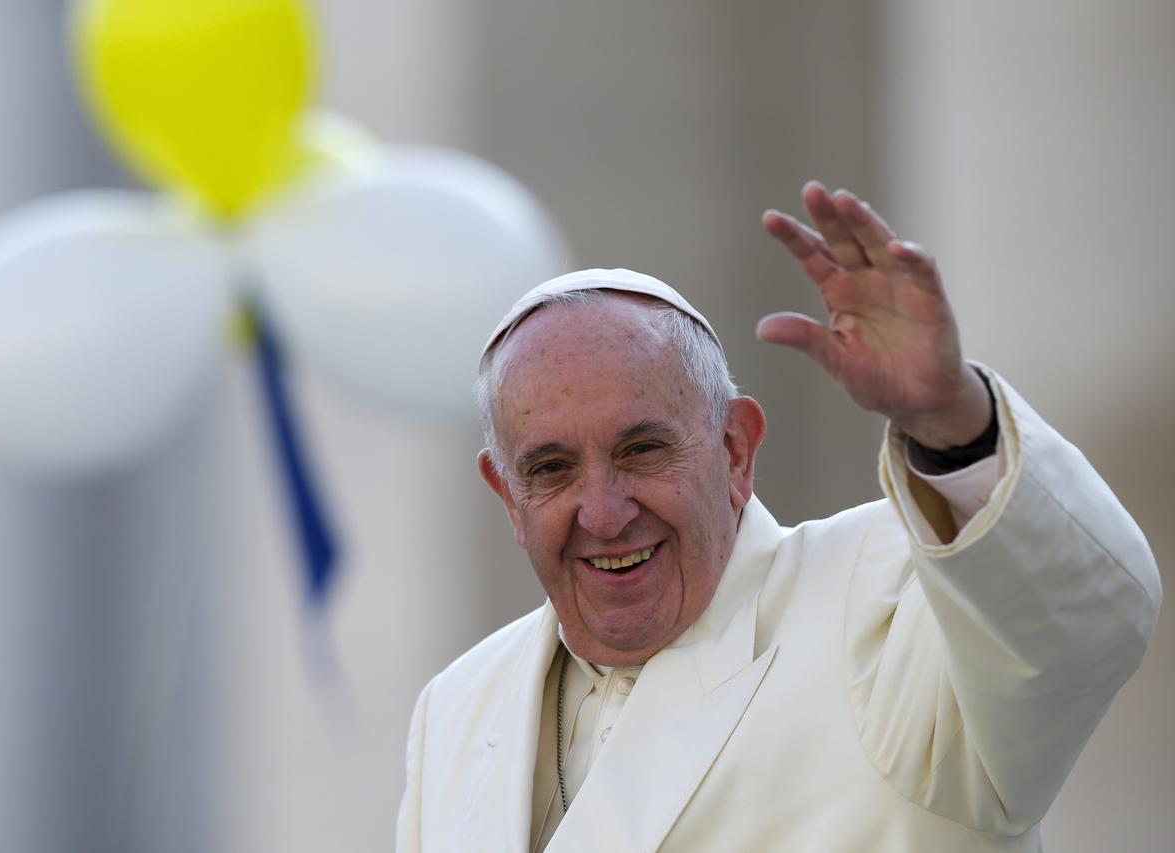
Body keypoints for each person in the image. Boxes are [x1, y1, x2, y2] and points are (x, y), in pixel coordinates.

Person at [395, 181, 1161, 852]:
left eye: (642, 451)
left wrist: (951, 419)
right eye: (552, 469)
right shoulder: (460, 705)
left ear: (735, 449)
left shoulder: (890, 602)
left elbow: (1079, 626)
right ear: (506, 494)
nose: (603, 511)